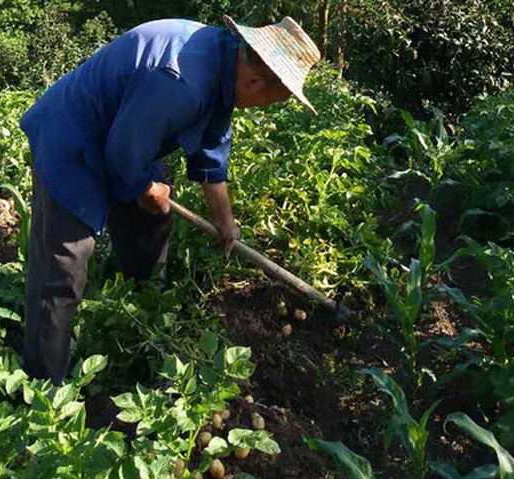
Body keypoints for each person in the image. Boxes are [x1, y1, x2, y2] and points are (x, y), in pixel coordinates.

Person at [20, 15, 321, 383]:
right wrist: (147, 188)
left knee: (151, 222)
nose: (262, 108)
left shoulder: (224, 60)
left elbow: (210, 148)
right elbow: (123, 154)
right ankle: (40, 390)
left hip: (123, 136)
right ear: (255, 80)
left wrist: (224, 220)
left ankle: (145, 320)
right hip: (72, 141)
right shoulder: (181, 80)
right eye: (268, 102)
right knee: (62, 270)